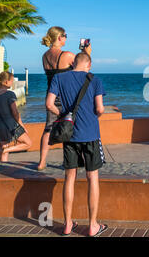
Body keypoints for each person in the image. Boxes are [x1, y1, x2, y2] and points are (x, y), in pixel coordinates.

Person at [46, 52, 107, 237]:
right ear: (88, 64)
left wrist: (63, 115)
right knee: (92, 178)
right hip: (90, 134)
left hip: (69, 135)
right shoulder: (94, 79)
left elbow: (49, 104)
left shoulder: (59, 77)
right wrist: (94, 116)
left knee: (70, 177)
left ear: (73, 64)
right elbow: (100, 109)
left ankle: (67, 224)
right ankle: (93, 225)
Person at [38, 26, 91, 171]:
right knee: (71, 128)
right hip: (68, 97)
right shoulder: (67, 55)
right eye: (65, 35)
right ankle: (71, 161)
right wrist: (86, 52)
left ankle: (42, 162)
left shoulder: (45, 56)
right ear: (59, 37)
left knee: (48, 129)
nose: (66, 38)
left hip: (51, 95)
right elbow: (83, 65)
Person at [0, 71, 32, 161]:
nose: (12, 83)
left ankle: (2, 170)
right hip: (11, 125)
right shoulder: (10, 94)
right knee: (28, 143)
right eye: (11, 81)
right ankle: (3, 150)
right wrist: (22, 126)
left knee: (4, 150)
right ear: (6, 82)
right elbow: (15, 113)